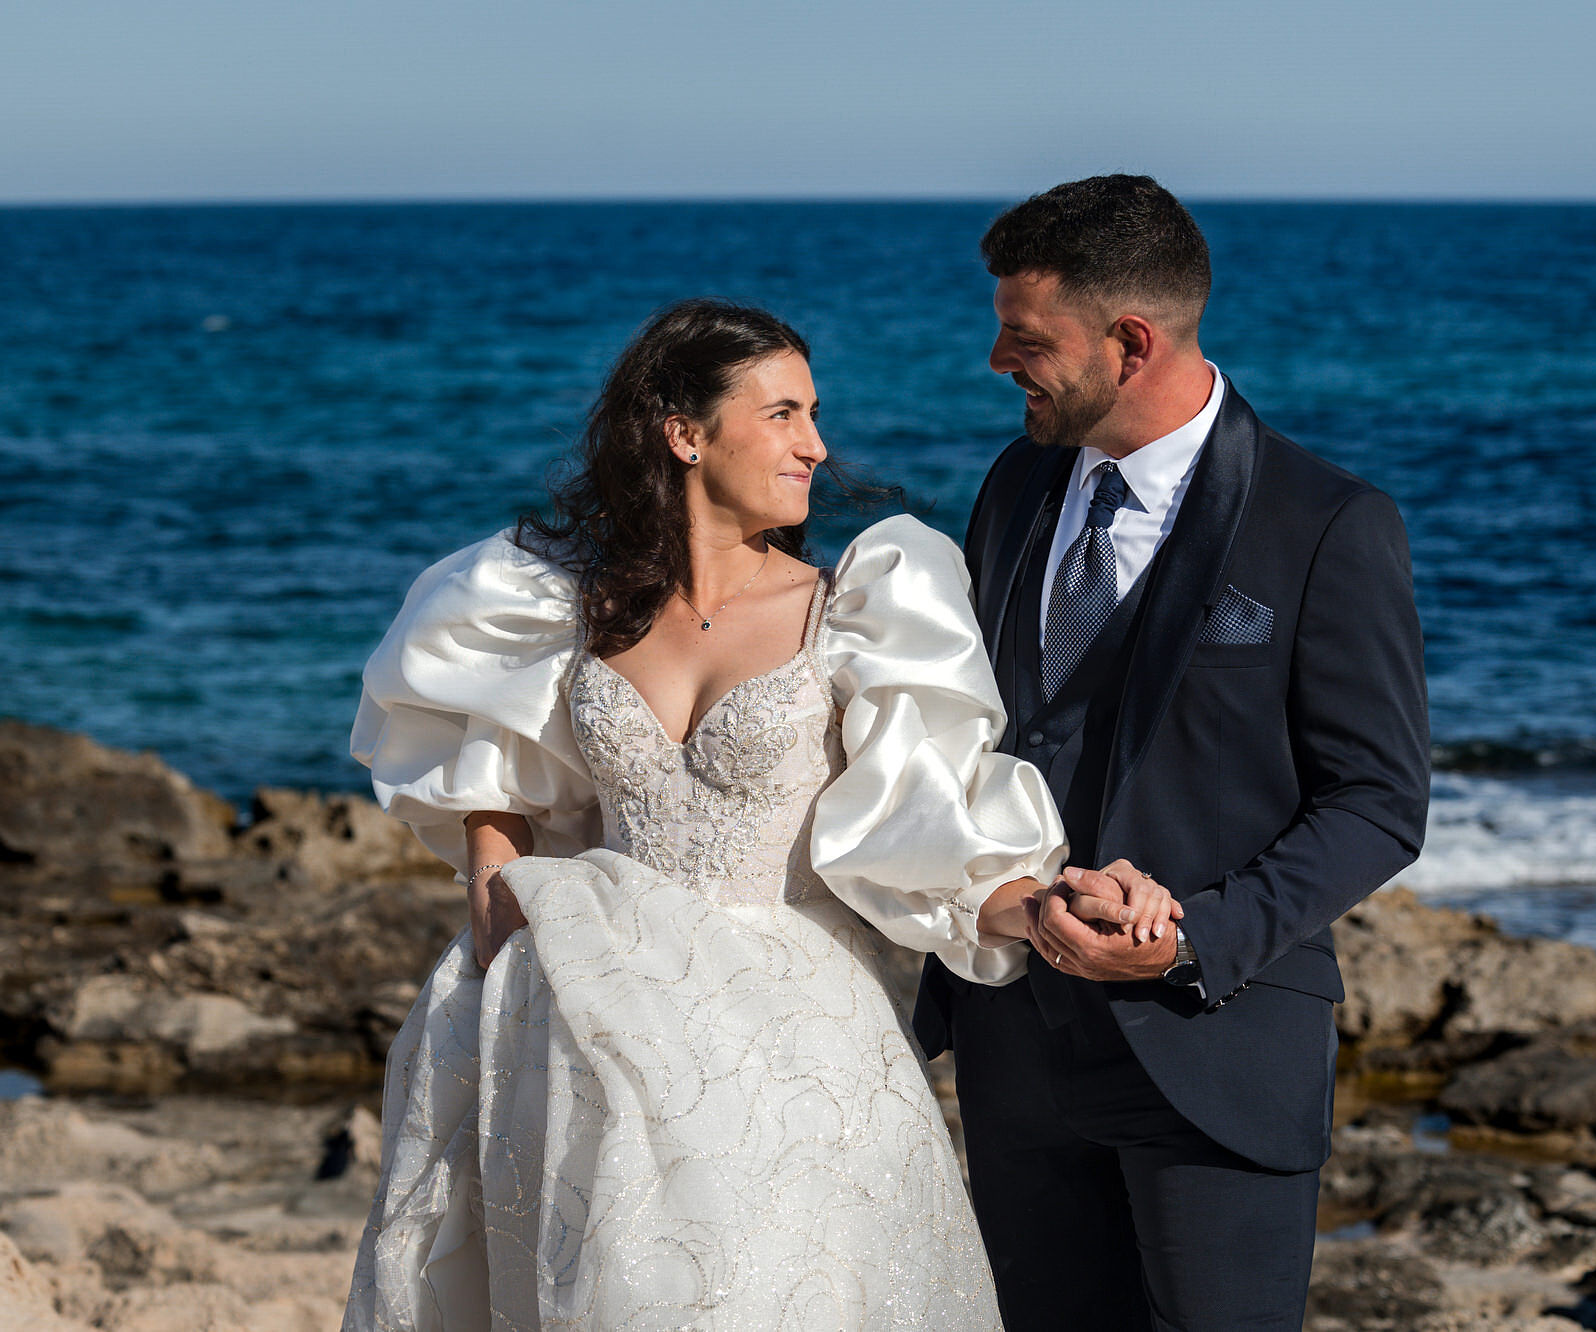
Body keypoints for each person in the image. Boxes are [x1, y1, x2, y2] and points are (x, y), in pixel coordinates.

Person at [339, 299, 1179, 1330]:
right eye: (782, 414)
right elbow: (494, 767)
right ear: (684, 434)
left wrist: (1048, 903)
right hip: (586, 1026)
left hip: (785, 1047)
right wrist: (492, 882)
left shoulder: (856, 607)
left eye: (814, 414)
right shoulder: (564, 607)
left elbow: (927, 831)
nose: (816, 447)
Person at [913, 176, 1431, 1330]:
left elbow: (1378, 802)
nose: (998, 359)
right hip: (1013, 1051)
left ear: (1130, 341)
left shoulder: (1326, 524)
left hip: (1213, 1051)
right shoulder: (1012, 488)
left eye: (1025, 336)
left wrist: (1191, 939)